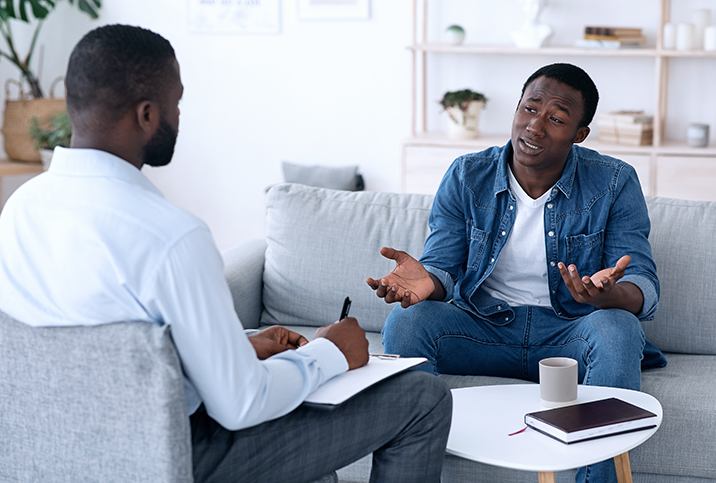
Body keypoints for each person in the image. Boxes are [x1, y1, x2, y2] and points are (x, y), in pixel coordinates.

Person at [0, 25, 452, 483]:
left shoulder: (19, 211)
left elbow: (96, 353)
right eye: (176, 102)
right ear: (146, 114)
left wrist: (232, 350)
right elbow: (242, 405)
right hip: (176, 459)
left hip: (66, 456)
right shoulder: (171, 236)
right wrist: (330, 352)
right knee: (422, 397)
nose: (179, 115)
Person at [367, 63, 662, 483]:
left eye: (556, 119)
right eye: (529, 109)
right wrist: (428, 282)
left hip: (569, 333)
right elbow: (443, 267)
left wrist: (607, 295)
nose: (535, 127)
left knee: (618, 329)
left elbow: (642, 283)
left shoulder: (614, 181)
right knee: (407, 320)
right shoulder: (467, 175)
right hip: (482, 327)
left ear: (579, 134)